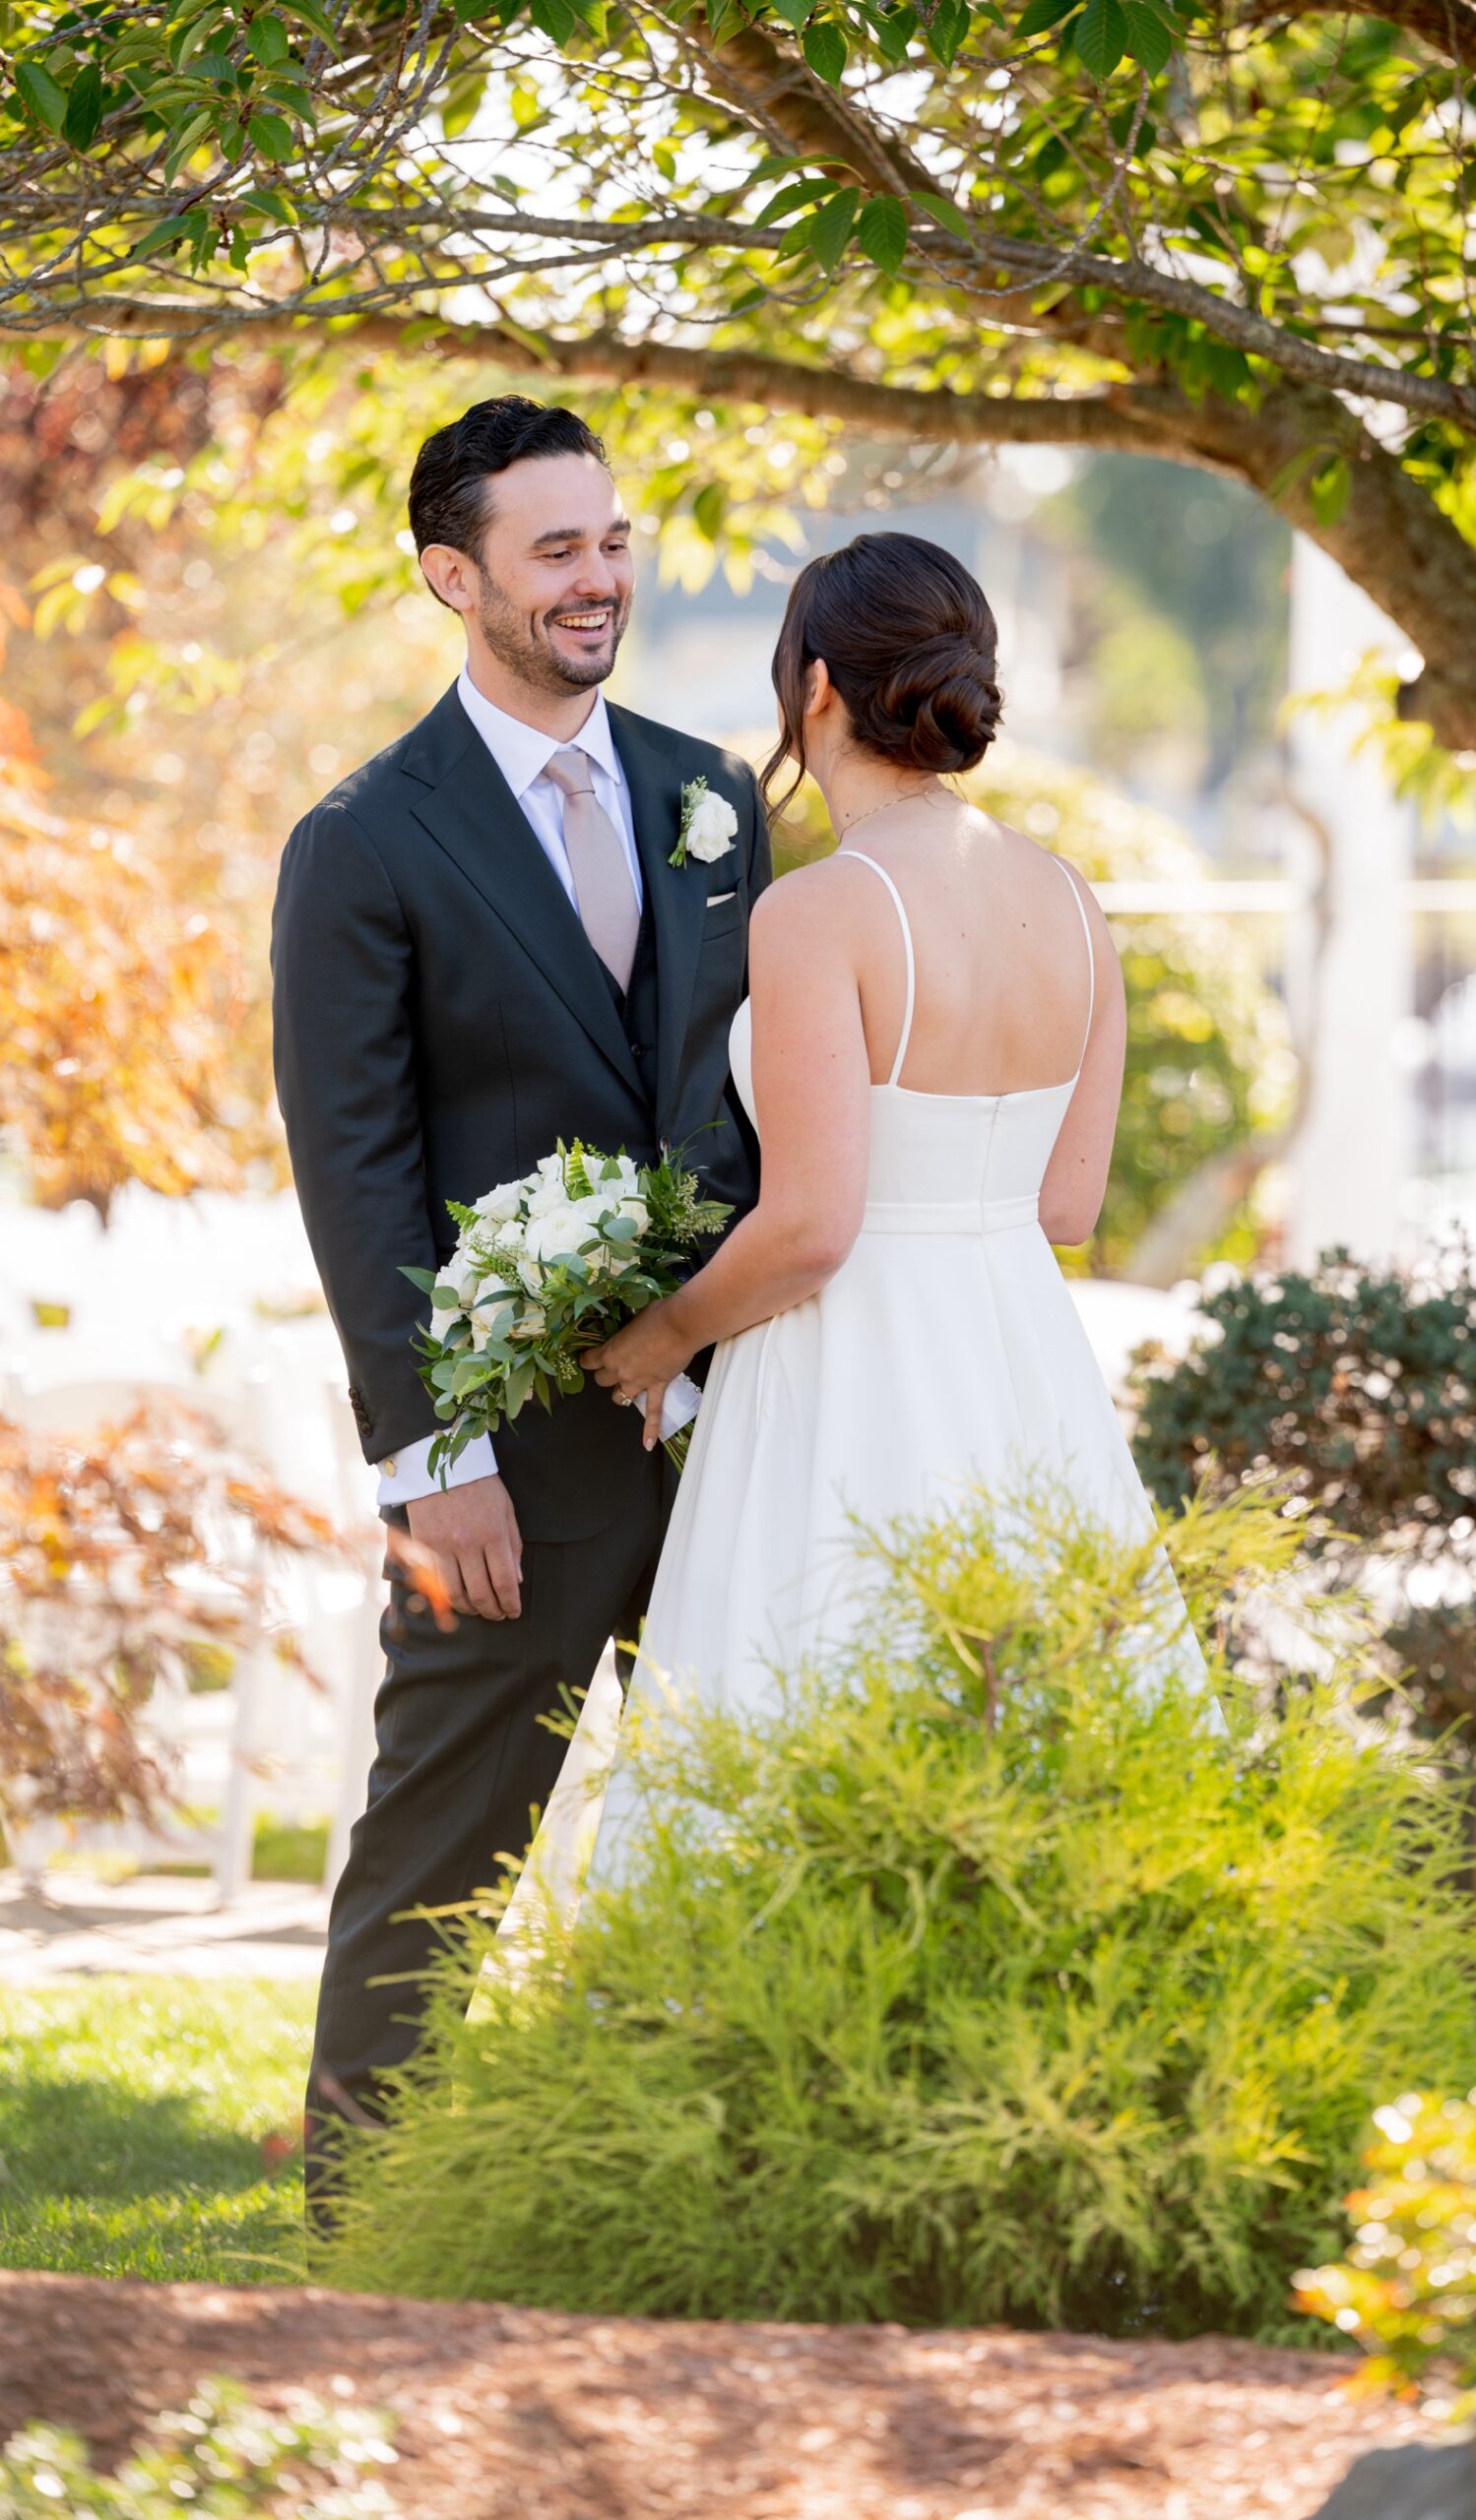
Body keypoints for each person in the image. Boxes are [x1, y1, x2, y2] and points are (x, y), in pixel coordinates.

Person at [269, 397, 770, 2213]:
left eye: (613, 540)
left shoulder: (708, 798)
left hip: (733, 1426)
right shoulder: (364, 841)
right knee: (439, 1857)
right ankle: (362, 2242)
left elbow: (746, 1104)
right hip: (508, 1473)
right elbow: (359, 1175)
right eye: (555, 548)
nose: (597, 576)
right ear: (451, 575)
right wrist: (433, 1461)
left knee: (750, 1834)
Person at [577, 530, 1203, 1869]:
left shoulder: (820, 915)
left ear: (812, 688)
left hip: (847, 1366)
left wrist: (658, 1338)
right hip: (1019, 1361)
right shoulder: (1072, 903)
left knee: (804, 1702)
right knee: (1032, 1742)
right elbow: (1069, 1203)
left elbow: (812, 1225)